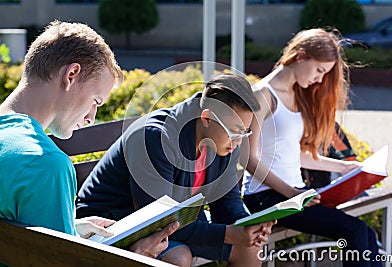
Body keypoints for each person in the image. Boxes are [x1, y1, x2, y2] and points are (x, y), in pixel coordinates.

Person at [0, 20, 178, 260]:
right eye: (95, 101)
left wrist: (71, 228)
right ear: (71, 75)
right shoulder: (45, 164)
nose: (91, 118)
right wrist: (134, 255)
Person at [76, 73, 275, 267]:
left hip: (175, 224)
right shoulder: (155, 137)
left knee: (250, 249)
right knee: (178, 256)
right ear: (206, 118)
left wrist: (248, 226)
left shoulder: (224, 142)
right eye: (234, 131)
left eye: (244, 132)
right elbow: (157, 220)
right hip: (113, 223)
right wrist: (228, 234)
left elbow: (227, 202)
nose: (238, 141)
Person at [240, 28, 382, 267]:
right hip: (264, 197)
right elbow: (248, 159)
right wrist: (292, 194)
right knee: (354, 231)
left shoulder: (296, 94)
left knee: (366, 234)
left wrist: (347, 168)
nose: (319, 79)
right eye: (319, 70)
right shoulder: (262, 95)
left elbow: (293, 154)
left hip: (293, 193)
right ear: (301, 56)